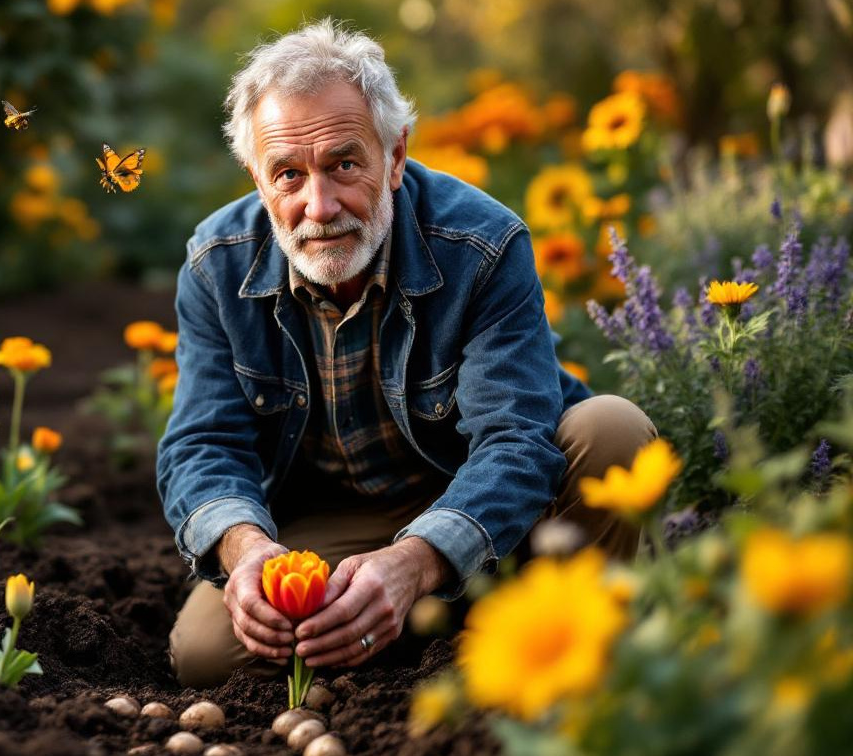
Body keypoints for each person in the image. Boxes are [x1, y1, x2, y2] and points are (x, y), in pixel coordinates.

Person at [157, 19, 656, 689]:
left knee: (612, 430)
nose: (318, 206)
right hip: (330, 517)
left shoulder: (482, 245)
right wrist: (246, 549)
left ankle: (560, 650)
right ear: (257, 177)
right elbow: (202, 442)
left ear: (394, 157)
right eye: (288, 175)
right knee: (206, 654)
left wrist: (416, 562)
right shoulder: (216, 264)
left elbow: (515, 439)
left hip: (477, 492)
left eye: (344, 164)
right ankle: (432, 625)